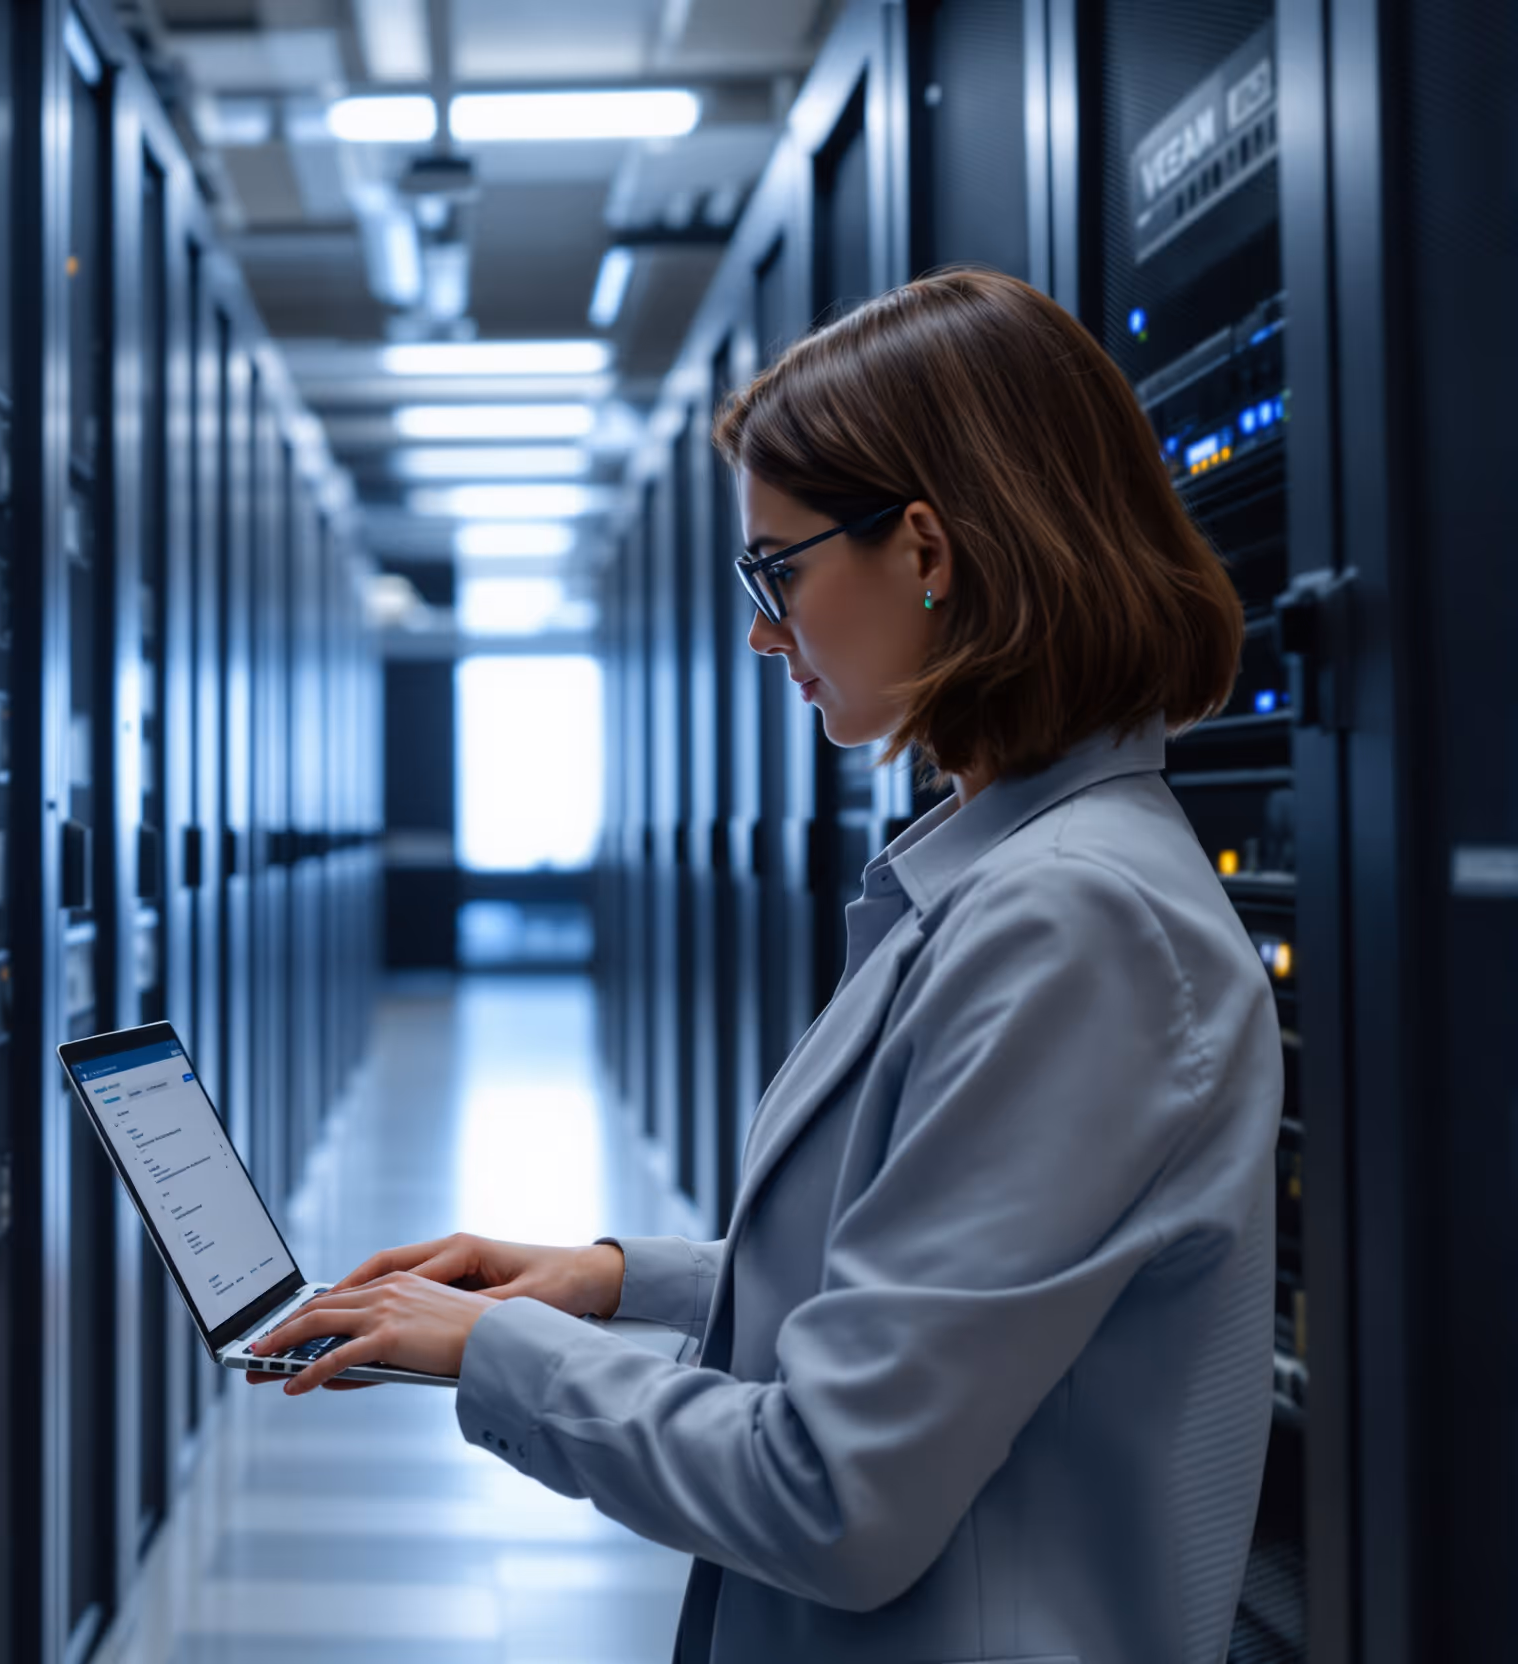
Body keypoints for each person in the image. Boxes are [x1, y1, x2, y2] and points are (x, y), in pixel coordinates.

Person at [247, 268, 1281, 1664]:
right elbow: (952, 1281)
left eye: (777, 570)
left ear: (926, 551)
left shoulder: (1078, 928)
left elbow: (831, 1492)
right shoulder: (1016, 878)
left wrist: (489, 1350)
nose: (761, 631)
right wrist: (618, 1280)